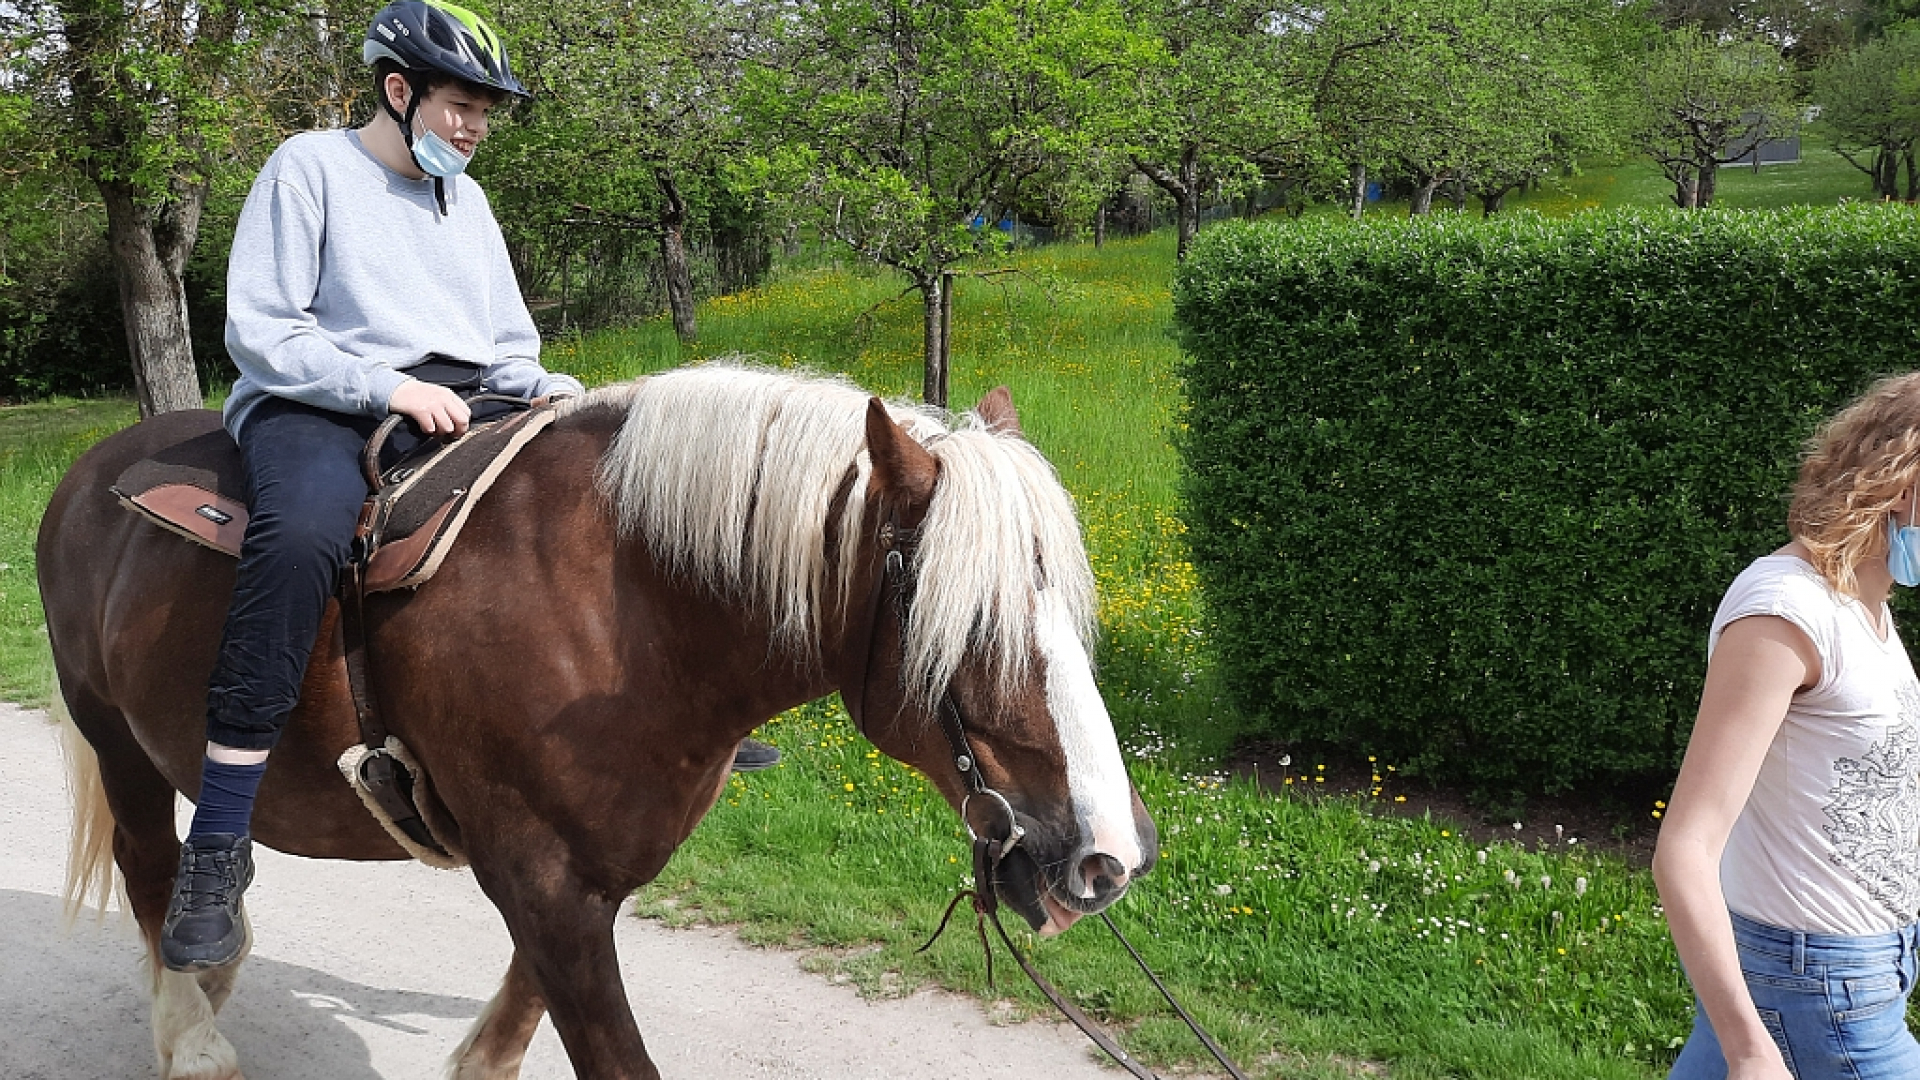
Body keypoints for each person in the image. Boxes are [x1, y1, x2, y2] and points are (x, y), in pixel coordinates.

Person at [162, 0, 775, 973]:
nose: (477, 127)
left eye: (487, 110)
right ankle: (218, 841)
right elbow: (265, 333)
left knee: (600, 498)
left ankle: (671, 711)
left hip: (461, 402)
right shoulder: (310, 169)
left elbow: (509, 344)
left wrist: (559, 394)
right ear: (399, 91)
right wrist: (386, 385)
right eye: (462, 105)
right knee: (303, 535)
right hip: (318, 402)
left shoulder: (468, 202)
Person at [1654, 372, 1920, 1080]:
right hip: (1819, 994)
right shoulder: (1785, 611)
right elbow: (1684, 848)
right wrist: (1748, 1049)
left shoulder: (1867, 608)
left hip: (1850, 974)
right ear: (1902, 484)